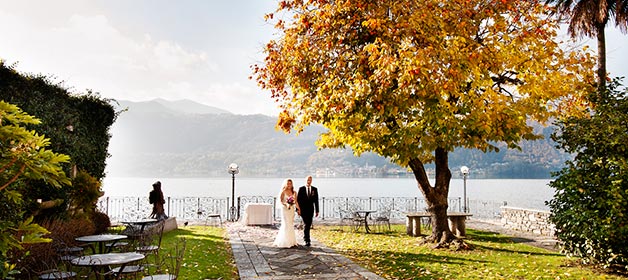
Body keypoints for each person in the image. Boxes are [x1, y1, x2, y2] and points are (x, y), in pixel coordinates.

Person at [273, 178, 299, 248]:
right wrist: (286, 204)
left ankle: (291, 241)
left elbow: (296, 201)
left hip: (291, 210)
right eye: (288, 183)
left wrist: (298, 209)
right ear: (286, 184)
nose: (289, 185)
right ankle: (284, 241)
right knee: (285, 224)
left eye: (290, 183)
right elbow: (281, 201)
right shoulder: (283, 192)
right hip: (285, 209)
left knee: (290, 224)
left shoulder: (294, 192)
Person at [297, 175, 319, 247]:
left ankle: (306, 239)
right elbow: (298, 200)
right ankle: (307, 240)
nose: (309, 181)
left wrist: (317, 210)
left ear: (311, 181)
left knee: (308, 225)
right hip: (303, 210)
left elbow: (316, 201)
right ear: (305, 180)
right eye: (308, 180)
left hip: (311, 210)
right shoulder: (301, 189)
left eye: (310, 180)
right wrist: (298, 210)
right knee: (306, 224)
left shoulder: (314, 189)